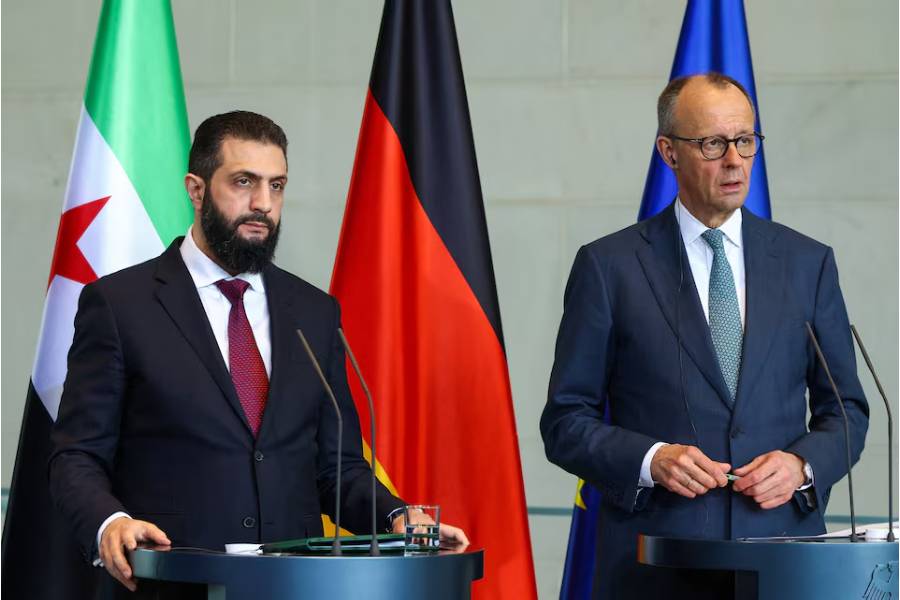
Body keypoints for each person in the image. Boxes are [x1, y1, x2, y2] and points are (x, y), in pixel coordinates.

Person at [49, 111, 467, 598]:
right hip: (170, 583)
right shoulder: (121, 305)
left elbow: (338, 468)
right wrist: (110, 522)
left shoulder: (313, 311)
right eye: (244, 182)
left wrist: (398, 516)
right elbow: (75, 456)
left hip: (295, 585)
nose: (262, 204)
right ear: (196, 188)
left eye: (277, 185)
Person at [540, 73, 868, 599]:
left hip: (783, 558)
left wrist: (802, 465)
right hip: (657, 564)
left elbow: (846, 411)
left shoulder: (807, 263)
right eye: (713, 143)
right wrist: (651, 460)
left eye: (745, 140)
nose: (734, 160)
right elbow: (564, 421)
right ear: (668, 153)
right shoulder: (609, 267)